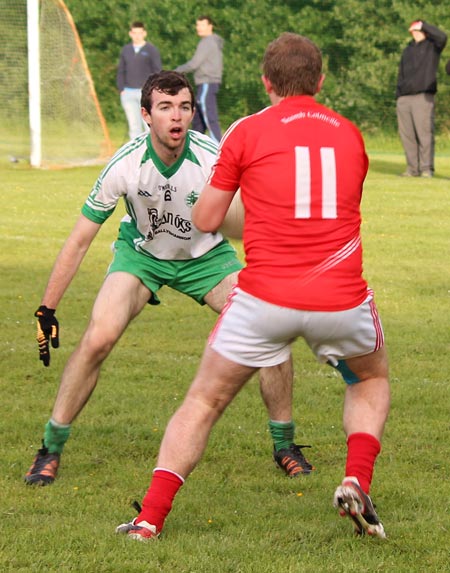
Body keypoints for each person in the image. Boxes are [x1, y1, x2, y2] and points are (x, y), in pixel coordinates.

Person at [116, 33, 391, 542]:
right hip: (340, 295)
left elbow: (208, 217)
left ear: (266, 83)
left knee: (203, 402)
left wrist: (248, 205)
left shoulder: (246, 131)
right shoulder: (351, 134)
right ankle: (356, 479)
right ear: (321, 81)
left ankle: (149, 519)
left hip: (264, 298)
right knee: (369, 379)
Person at [25, 71, 313, 487]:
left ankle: (284, 444)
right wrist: (47, 307)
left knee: (270, 328)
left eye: (183, 107)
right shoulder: (125, 164)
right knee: (99, 336)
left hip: (207, 259)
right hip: (143, 257)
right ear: (146, 115)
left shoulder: (213, 157)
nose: (176, 117)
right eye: (165, 107)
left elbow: (258, 216)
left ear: (192, 112)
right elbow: (79, 240)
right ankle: (50, 448)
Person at [396, 20, 447, 178]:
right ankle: (412, 169)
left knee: (424, 134)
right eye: (414, 29)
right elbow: (401, 74)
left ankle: (426, 169)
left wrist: (424, 25)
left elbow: (442, 36)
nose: (415, 31)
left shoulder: (432, 46)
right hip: (404, 98)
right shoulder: (407, 50)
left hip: (423, 97)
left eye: (418, 29)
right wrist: (398, 96)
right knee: (407, 135)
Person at [175, 15, 223, 144]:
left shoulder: (208, 41)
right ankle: (193, 147)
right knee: (198, 121)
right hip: (204, 84)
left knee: (209, 117)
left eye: (202, 25)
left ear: (210, 26)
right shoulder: (209, 42)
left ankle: (219, 147)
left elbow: (194, 64)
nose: (199, 28)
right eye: (198, 25)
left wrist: (176, 71)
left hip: (208, 83)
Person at [117, 21, 162, 139]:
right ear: (130, 34)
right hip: (128, 92)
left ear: (144, 33)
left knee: (148, 125)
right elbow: (121, 70)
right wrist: (121, 89)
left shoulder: (151, 50)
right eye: (134, 33)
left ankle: (151, 152)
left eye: (140, 33)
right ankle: (136, 155)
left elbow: (157, 71)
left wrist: (152, 89)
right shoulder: (125, 50)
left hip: (145, 92)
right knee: (134, 126)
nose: (137, 36)